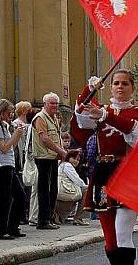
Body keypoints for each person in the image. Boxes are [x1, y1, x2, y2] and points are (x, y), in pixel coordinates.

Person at [76, 70, 138, 265]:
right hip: (102, 173)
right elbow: (80, 116)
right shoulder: (101, 111)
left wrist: (105, 115)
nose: (120, 87)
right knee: (109, 237)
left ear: (133, 88)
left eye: (125, 83)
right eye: (116, 83)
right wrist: (90, 90)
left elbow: (134, 133)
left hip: (126, 173)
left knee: (122, 231)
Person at [0, 99, 28, 240]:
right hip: (1, 165)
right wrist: (16, 135)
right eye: (8, 112)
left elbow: (11, 146)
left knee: (20, 195)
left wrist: (18, 134)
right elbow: (4, 148)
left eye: (12, 112)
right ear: (1, 112)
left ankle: (12, 226)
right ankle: (0, 230)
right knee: (3, 198)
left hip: (9, 164)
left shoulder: (4, 127)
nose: (11, 115)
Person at [32, 92, 67, 229]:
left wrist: (61, 151)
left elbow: (56, 137)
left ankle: (50, 218)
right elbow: (45, 138)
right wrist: (61, 151)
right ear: (45, 104)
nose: (55, 106)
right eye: (52, 103)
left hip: (52, 157)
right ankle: (43, 221)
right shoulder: (41, 118)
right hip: (43, 158)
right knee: (44, 190)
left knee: (53, 189)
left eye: (56, 103)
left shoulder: (53, 118)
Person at [54, 149, 88, 225]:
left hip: (61, 192)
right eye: (74, 158)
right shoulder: (67, 165)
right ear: (68, 157)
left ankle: (58, 214)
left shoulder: (62, 164)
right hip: (64, 191)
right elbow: (78, 181)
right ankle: (78, 217)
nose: (76, 161)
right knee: (86, 190)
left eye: (78, 160)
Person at [12, 101, 32, 225]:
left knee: (27, 187)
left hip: (27, 159)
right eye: (29, 110)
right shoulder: (16, 124)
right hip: (20, 159)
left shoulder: (28, 124)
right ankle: (21, 214)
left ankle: (25, 213)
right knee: (22, 188)